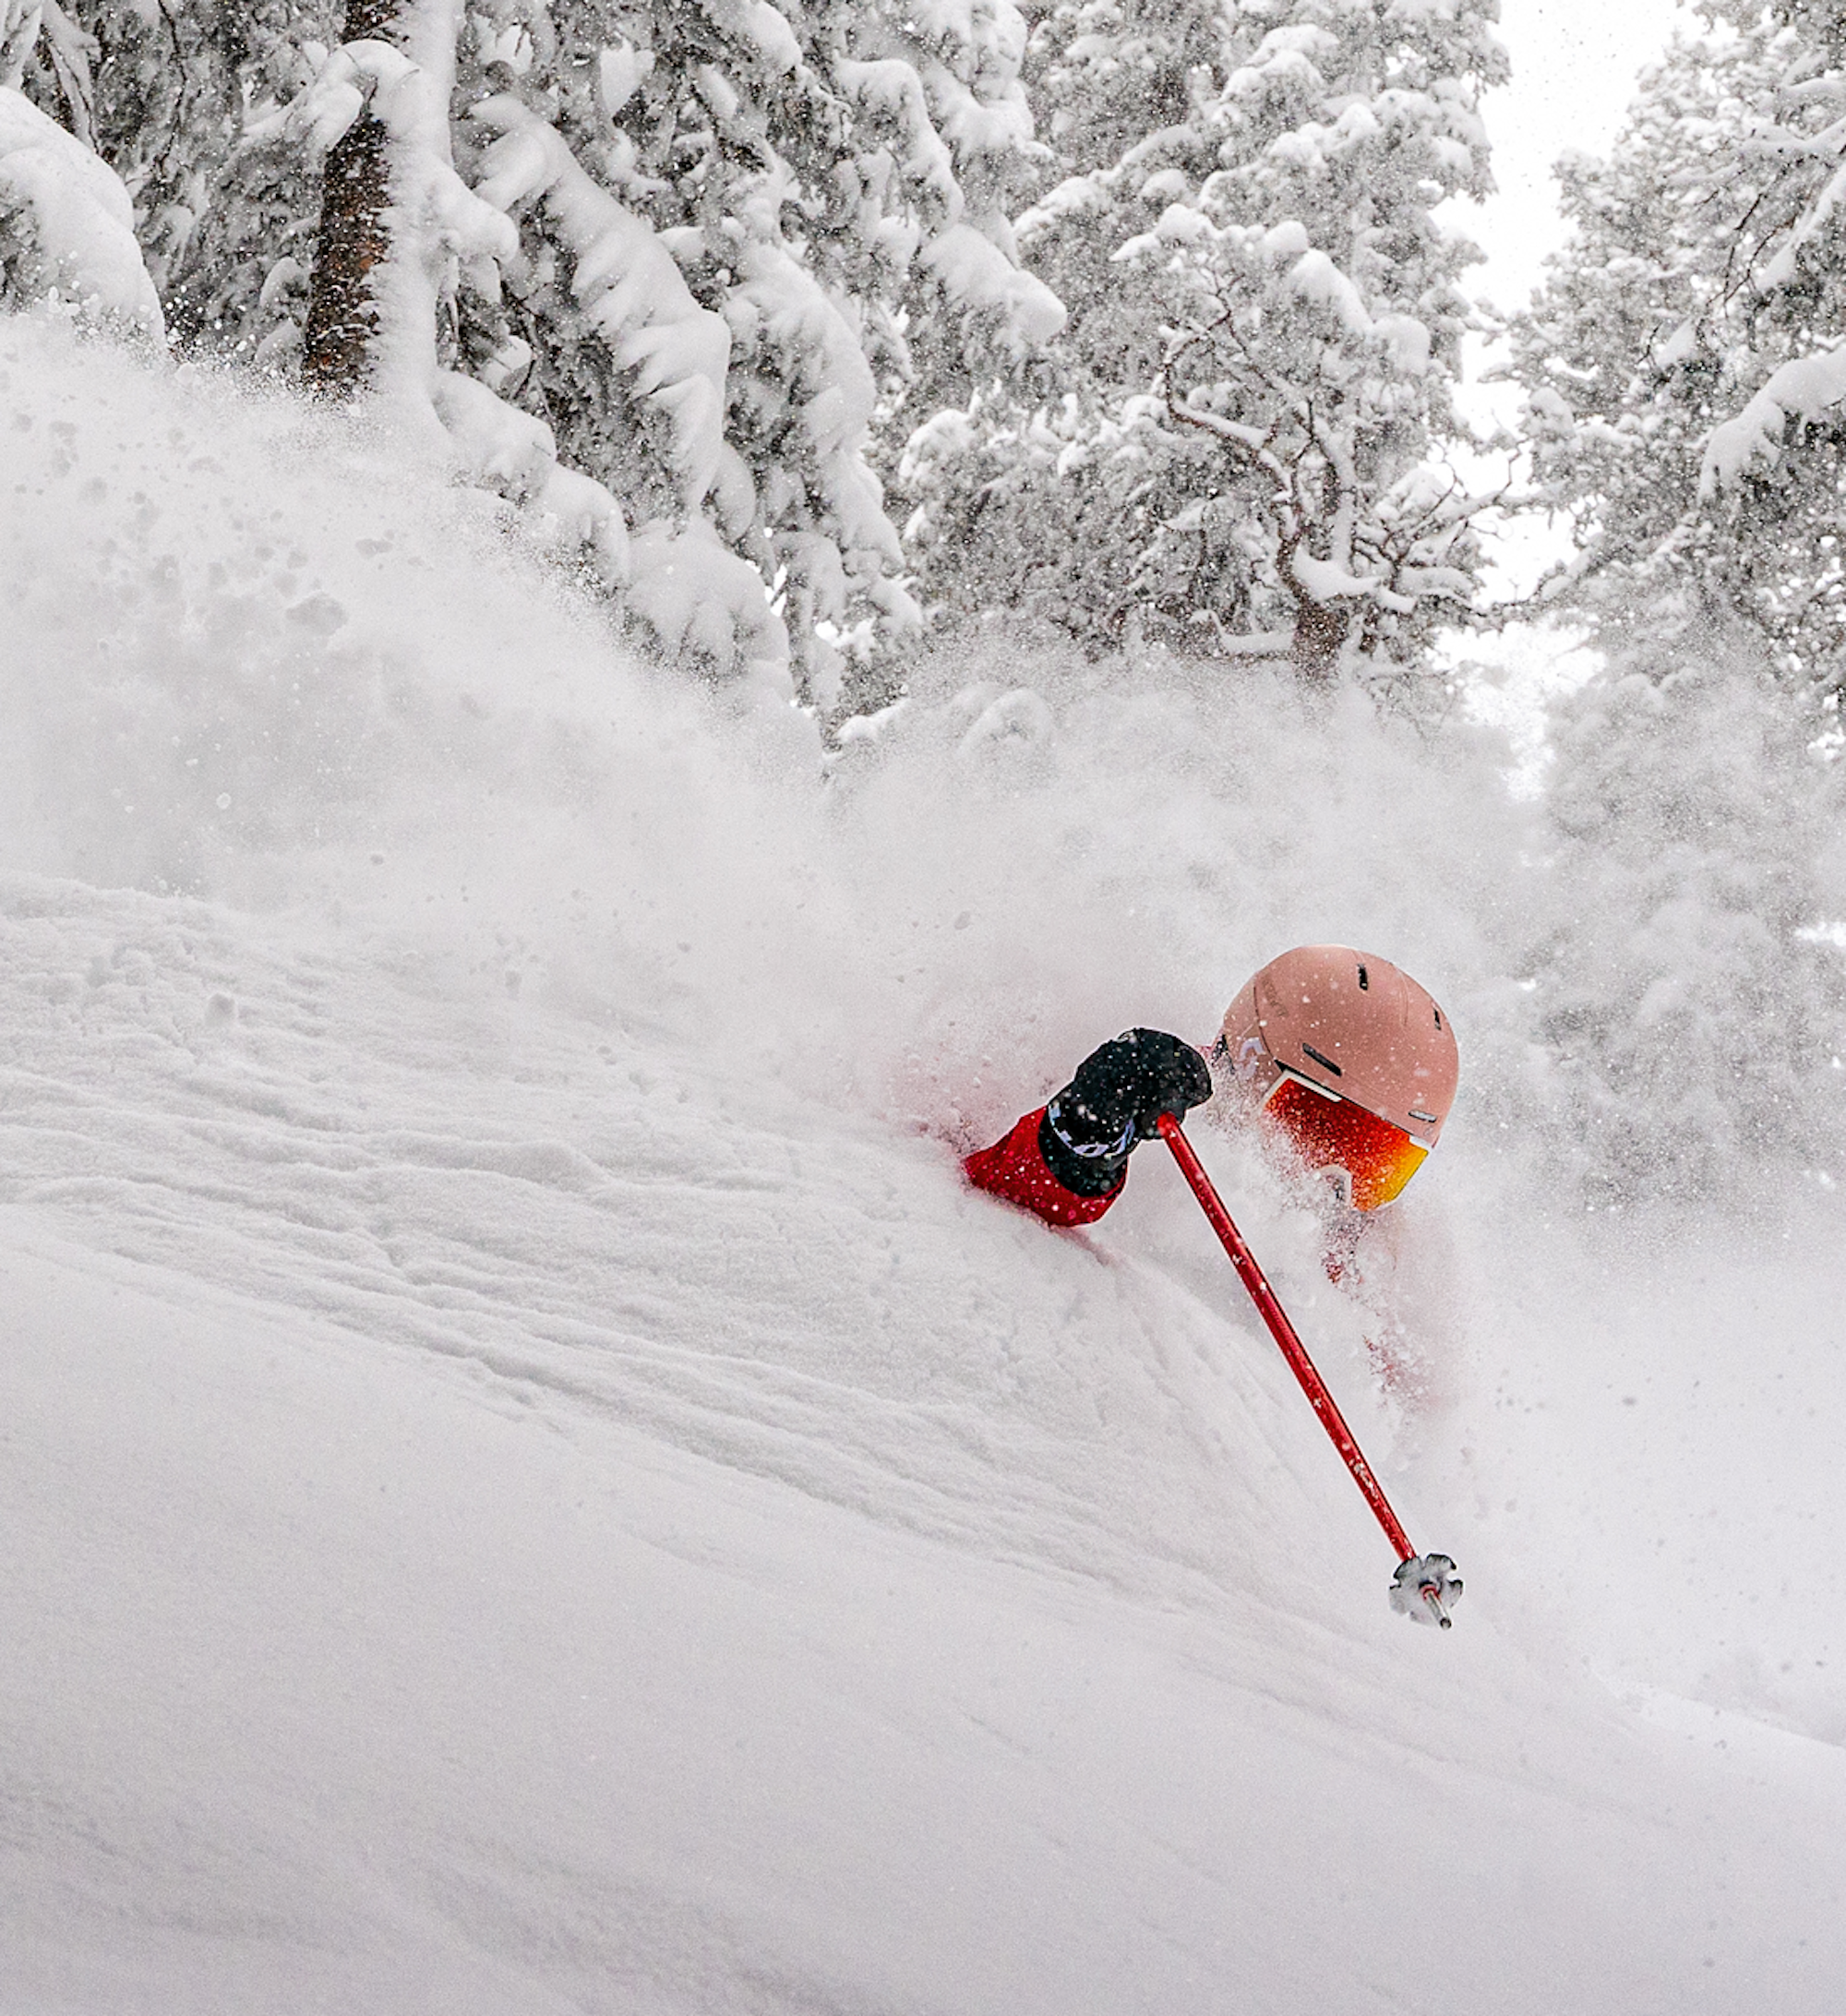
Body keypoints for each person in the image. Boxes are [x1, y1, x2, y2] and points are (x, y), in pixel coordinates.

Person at [965, 944, 1458, 1231]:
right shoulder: (1159, 1116)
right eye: (1313, 1124)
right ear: (1250, 1063)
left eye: (1377, 1162)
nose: (1332, 1183)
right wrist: (1085, 1129)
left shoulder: (1378, 1262)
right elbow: (1020, 1191)